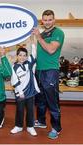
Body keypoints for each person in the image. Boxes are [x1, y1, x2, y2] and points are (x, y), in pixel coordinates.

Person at [32, 10, 65, 139]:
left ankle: (56, 128)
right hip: (39, 70)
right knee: (40, 99)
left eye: (50, 19)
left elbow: (51, 50)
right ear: (42, 21)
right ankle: (41, 121)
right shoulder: (43, 33)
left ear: (54, 20)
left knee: (52, 102)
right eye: (45, 20)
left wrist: (38, 37)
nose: (47, 22)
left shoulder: (58, 32)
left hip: (50, 71)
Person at [10, 43, 40, 136]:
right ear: (17, 56)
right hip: (20, 93)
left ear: (26, 57)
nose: (22, 57)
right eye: (20, 55)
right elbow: (14, 81)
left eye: (24, 55)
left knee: (30, 110)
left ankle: (30, 127)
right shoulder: (14, 67)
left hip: (30, 92)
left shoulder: (29, 64)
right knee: (20, 110)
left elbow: (34, 54)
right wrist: (20, 92)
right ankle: (18, 126)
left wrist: (33, 44)